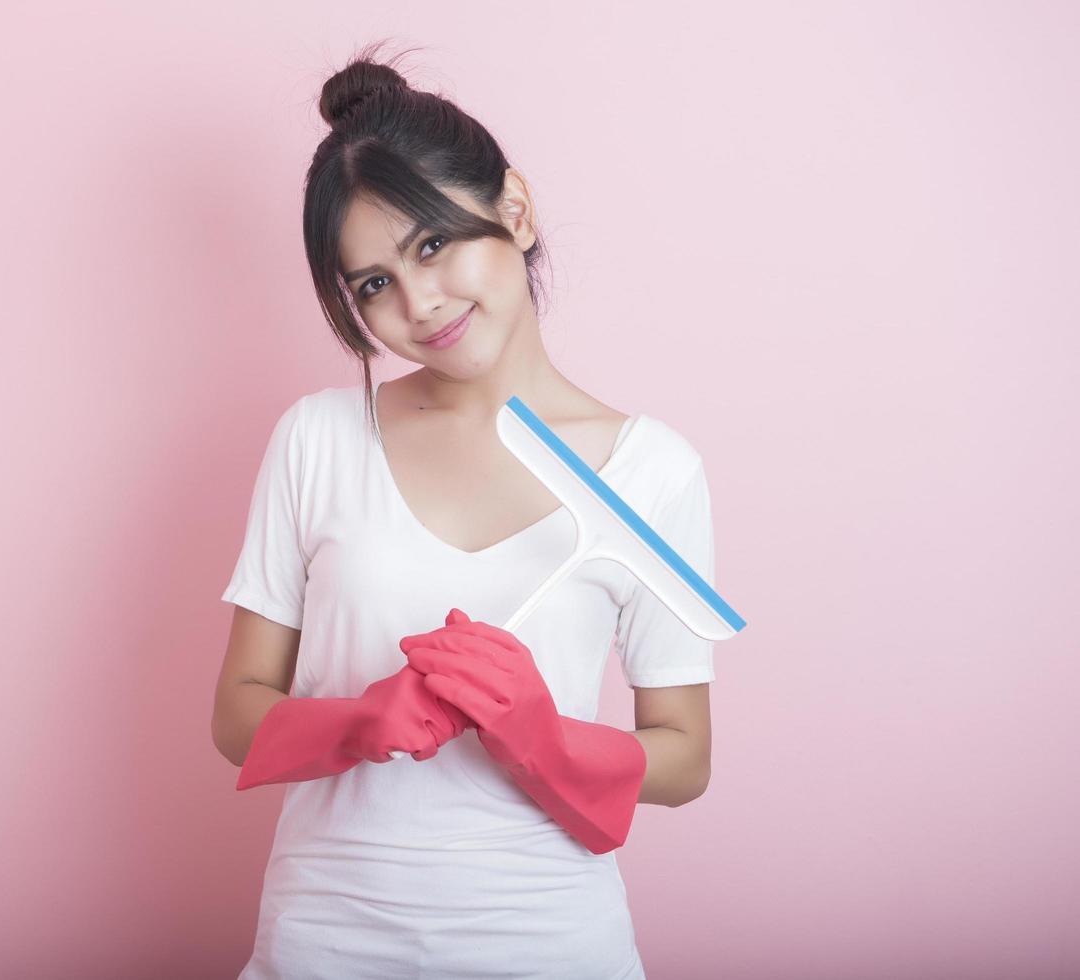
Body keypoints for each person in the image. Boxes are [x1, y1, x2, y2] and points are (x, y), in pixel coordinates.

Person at [212, 41, 718, 980]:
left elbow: (685, 758)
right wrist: (358, 721)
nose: (419, 302)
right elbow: (239, 712)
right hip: (324, 945)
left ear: (514, 212)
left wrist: (541, 734)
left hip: (554, 944)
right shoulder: (319, 439)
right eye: (374, 284)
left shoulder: (652, 473)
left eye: (432, 244)